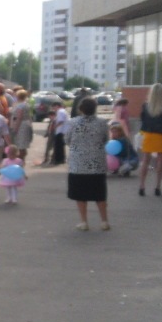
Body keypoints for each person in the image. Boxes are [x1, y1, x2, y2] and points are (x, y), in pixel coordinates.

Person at [67, 96, 110, 231]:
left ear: (80, 109)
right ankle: (104, 221)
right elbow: (106, 139)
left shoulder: (73, 123)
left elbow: (67, 139)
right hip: (97, 163)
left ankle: (84, 222)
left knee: (80, 195)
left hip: (78, 164)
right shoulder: (102, 123)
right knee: (100, 194)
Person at [137, 83, 162, 196]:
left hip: (148, 134)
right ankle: (157, 187)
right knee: (160, 161)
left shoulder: (145, 106)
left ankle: (142, 186)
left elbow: (142, 119)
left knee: (145, 161)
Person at [9, 89, 34, 160]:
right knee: (22, 144)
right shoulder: (25, 104)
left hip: (21, 125)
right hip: (25, 124)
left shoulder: (21, 105)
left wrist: (16, 128)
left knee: (21, 144)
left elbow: (19, 117)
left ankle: (20, 160)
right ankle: (21, 159)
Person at [49, 101, 69, 165]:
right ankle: (62, 159)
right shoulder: (63, 111)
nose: (53, 109)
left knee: (58, 146)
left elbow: (60, 121)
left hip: (60, 131)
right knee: (61, 146)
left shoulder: (60, 111)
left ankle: (58, 160)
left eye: (53, 107)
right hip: (63, 131)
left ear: (57, 106)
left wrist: (55, 126)